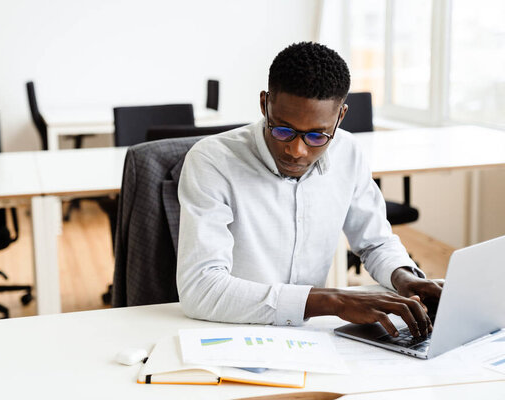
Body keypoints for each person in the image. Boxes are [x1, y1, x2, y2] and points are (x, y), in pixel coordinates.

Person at [176, 42, 442, 338]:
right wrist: (334, 300)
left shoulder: (348, 152)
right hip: (230, 330)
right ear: (264, 104)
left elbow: (375, 242)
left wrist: (404, 277)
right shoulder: (212, 161)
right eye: (282, 130)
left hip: (310, 335)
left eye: (317, 135)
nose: (296, 150)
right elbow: (201, 288)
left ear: (340, 117)